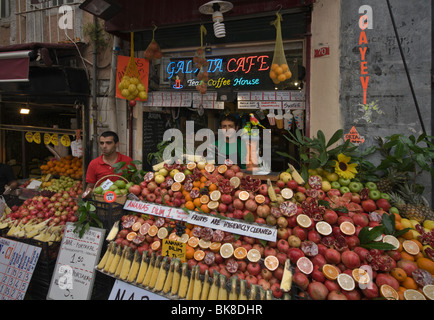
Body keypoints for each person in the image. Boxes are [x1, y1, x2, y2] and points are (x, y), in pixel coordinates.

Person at [82, 131, 133, 197]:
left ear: (117, 144)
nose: (104, 146)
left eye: (108, 143)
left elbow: (133, 183)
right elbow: (90, 186)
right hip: (102, 203)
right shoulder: (94, 164)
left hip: (122, 201)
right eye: (101, 143)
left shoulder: (127, 161)